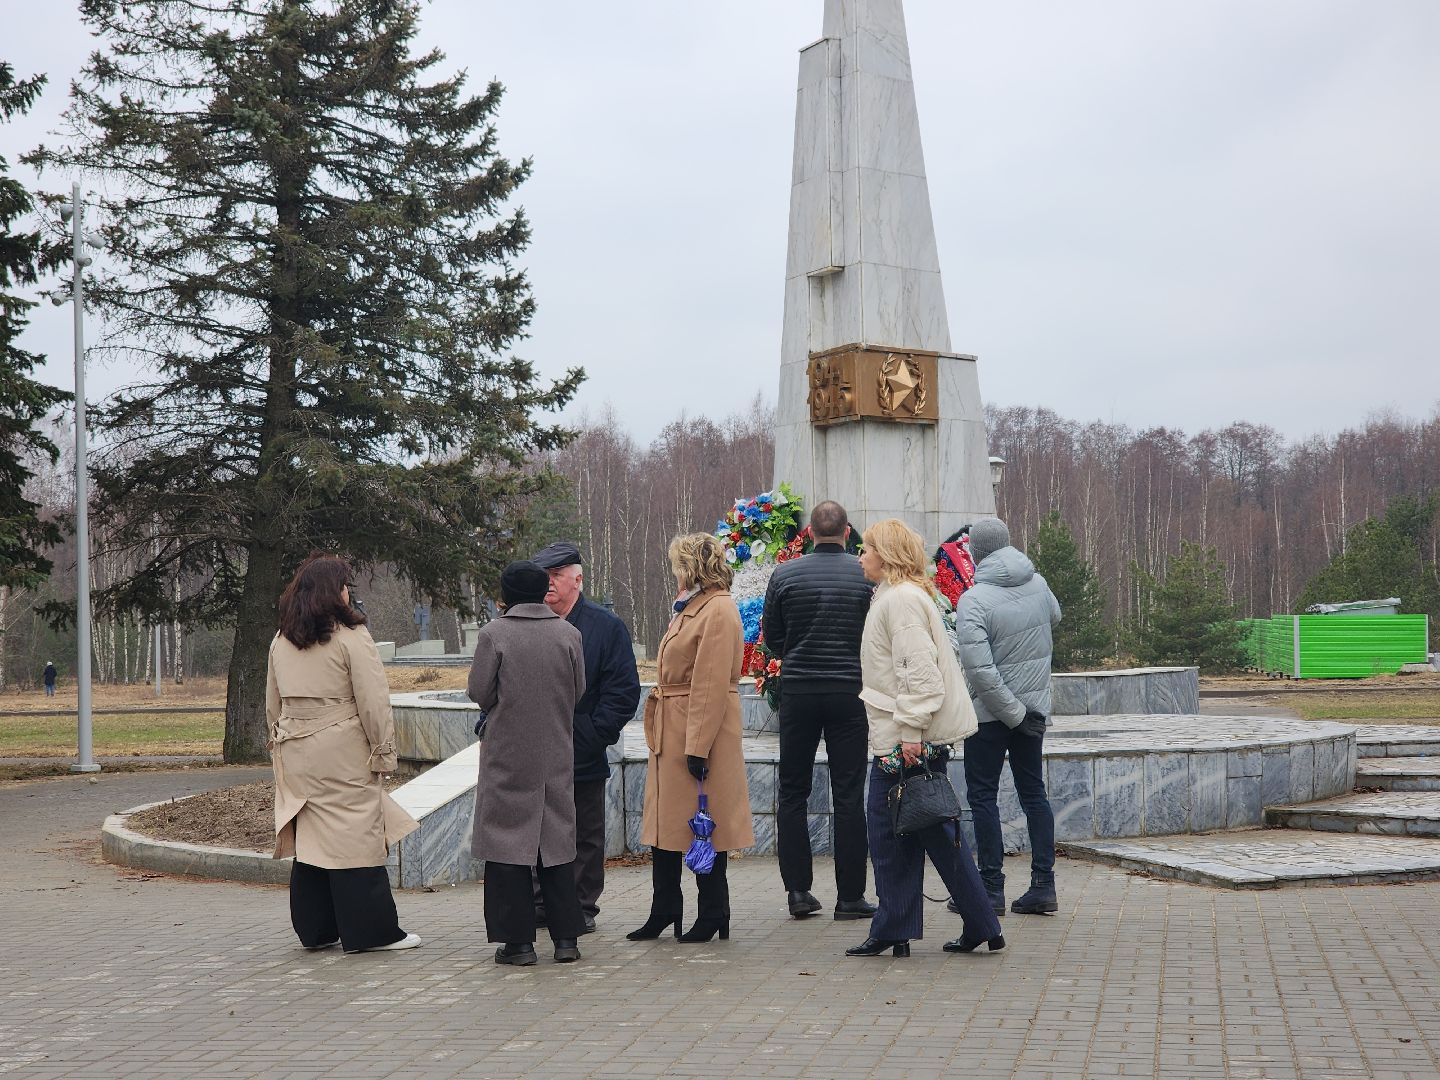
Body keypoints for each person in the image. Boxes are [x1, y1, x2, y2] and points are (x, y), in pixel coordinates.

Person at [846, 518, 1004, 958]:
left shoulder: (901, 600)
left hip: (906, 741)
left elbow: (920, 674)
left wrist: (911, 732)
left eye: (867, 549)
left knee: (892, 833)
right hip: (904, 735)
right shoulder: (899, 596)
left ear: (887, 555)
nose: (861, 557)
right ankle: (974, 924)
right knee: (928, 833)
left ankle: (900, 927)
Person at [267, 554, 421, 954]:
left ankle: (316, 930)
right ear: (335, 592)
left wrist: (282, 743)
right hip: (341, 748)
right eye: (344, 586)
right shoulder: (351, 637)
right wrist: (383, 751)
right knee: (356, 833)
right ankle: (372, 932)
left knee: (311, 835)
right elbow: (373, 701)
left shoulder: (282, 639)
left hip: (295, 747)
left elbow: (273, 703)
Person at [629, 532, 754, 944]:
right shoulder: (694, 607)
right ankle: (665, 907)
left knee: (704, 823)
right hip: (676, 724)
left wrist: (697, 746)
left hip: (697, 730)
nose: (674, 573)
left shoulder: (716, 609)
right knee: (666, 825)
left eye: (677, 566)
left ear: (692, 567)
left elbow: (711, 684)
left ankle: (713, 910)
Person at [468, 560, 589, 966]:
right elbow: (578, 689)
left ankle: (518, 944)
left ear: (507, 595)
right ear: (541, 591)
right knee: (556, 845)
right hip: (555, 750)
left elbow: (480, 690)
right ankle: (566, 939)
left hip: (508, 753)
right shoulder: (568, 634)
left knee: (506, 845)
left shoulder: (494, 634)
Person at [761, 500, 876, 920]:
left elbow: (772, 639)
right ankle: (851, 896)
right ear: (848, 532)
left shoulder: (784, 575)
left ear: (808, 533)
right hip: (850, 692)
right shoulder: (864, 576)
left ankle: (797, 891)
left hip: (799, 691)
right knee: (849, 793)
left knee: (793, 791)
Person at [530, 541, 642, 934]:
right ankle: (539, 904)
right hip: (535, 752)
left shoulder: (605, 627)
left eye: (556, 575)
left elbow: (623, 691)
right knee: (536, 830)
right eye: (544, 576)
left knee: (584, 834)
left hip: (582, 751)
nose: (549, 583)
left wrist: (591, 734)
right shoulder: (527, 623)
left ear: (577, 580)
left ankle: (580, 906)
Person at [957, 517, 1063, 916]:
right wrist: (1022, 714)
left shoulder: (974, 600)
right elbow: (1054, 616)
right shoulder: (1038, 582)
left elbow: (980, 672)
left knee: (983, 797)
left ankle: (990, 890)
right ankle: (1043, 885)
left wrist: (1012, 714)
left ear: (975, 552)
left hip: (990, 716)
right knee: (1034, 793)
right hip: (1032, 711)